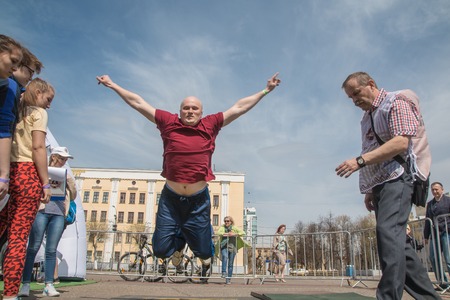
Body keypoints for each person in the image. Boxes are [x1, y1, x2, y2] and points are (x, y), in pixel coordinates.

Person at [96, 73, 280, 268]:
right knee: (159, 249)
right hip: (171, 198)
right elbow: (139, 103)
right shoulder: (168, 122)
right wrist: (113, 85)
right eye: (186, 108)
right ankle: (178, 246)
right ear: (180, 111)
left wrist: (265, 90)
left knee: (203, 251)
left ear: (201, 112)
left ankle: (200, 252)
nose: (190, 111)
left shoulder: (210, 124)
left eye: (194, 108)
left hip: (198, 200)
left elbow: (239, 107)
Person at [335, 72, 439, 299]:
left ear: (370, 84)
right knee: (397, 243)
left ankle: (388, 296)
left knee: (388, 234)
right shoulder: (367, 117)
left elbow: (401, 142)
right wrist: (370, 189)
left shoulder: (396, 102)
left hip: (399, 178)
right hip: (382, 182)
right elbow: (371, 149)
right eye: (350, 98)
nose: (354, 101)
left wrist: (359, 162)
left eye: (356, 93)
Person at [0, 78, 53, 300]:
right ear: (38, 92)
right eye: (48, 99)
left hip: (8, 170)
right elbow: (38, 147)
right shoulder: (38, 114)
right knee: (18, 237)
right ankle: (11, 292)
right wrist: (45, 181)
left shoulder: (14, 111)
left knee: (3, 225)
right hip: (27, 174)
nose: (49, 104)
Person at [19, 146, 77, 297]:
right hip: (41, 211)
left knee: (51, 250)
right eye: (62, 159)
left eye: (66, 159)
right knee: (33, 247)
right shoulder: (41, 170)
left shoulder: (66, 174)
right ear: (54, 157)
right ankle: (25, 284)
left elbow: (74, 196)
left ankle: (49, 284)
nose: (64, 162)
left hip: (58, 214)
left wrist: (70, 182)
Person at [0, 35, 23, 205]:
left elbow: (4, 130)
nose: (14, 68)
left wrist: (4, 175)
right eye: (13, 61)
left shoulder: (8, 87)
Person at [424, 182, 450, 288]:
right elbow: (427, 220)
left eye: (436, 189)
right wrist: (426, 236)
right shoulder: (430, 204)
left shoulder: (448, 201)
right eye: (433, 190)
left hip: (446, 233)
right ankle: (443, 283)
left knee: (448, 260)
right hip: (435, 235)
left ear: (442, 190)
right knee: (433, 258)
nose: (434, 191)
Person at [216, 216, 246, 284]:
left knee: (230, 264)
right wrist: (226, 234)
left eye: (228, 221)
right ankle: (223, 272)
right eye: (225, 221)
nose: (226, 222)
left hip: (232, 247)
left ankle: (228, 279)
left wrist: (234, 234)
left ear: (231, 222)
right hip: (224, 246)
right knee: (225, 257)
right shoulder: (222, 227)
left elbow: (243, 233)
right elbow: (218, 233)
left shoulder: (234, 228)